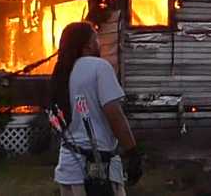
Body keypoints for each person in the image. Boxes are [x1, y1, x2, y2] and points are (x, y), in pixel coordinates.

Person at [50, 21, 143, 196]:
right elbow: (114, 114)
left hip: (69, 170)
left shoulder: (61, 72)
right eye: (96, 38)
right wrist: (132, 152)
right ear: (88, 44)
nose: (99, 43)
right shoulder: (100, 67)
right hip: (99, 172)